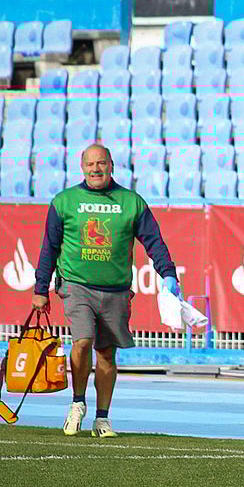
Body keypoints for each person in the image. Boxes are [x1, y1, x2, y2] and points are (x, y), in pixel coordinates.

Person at [32, 143, 182, 438]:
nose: (96, 169)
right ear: (82, 166)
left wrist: (168, 274)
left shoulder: (132, 202)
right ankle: (77, 403)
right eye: (90, 164)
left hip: (116, 290)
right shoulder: (64, 201)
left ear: (111, 165)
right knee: (83, 341)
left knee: (106, 354)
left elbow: (154, 241)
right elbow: (48, 247)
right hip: (76, 286)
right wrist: (41, 288)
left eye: (101, 163)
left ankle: (102, 418)